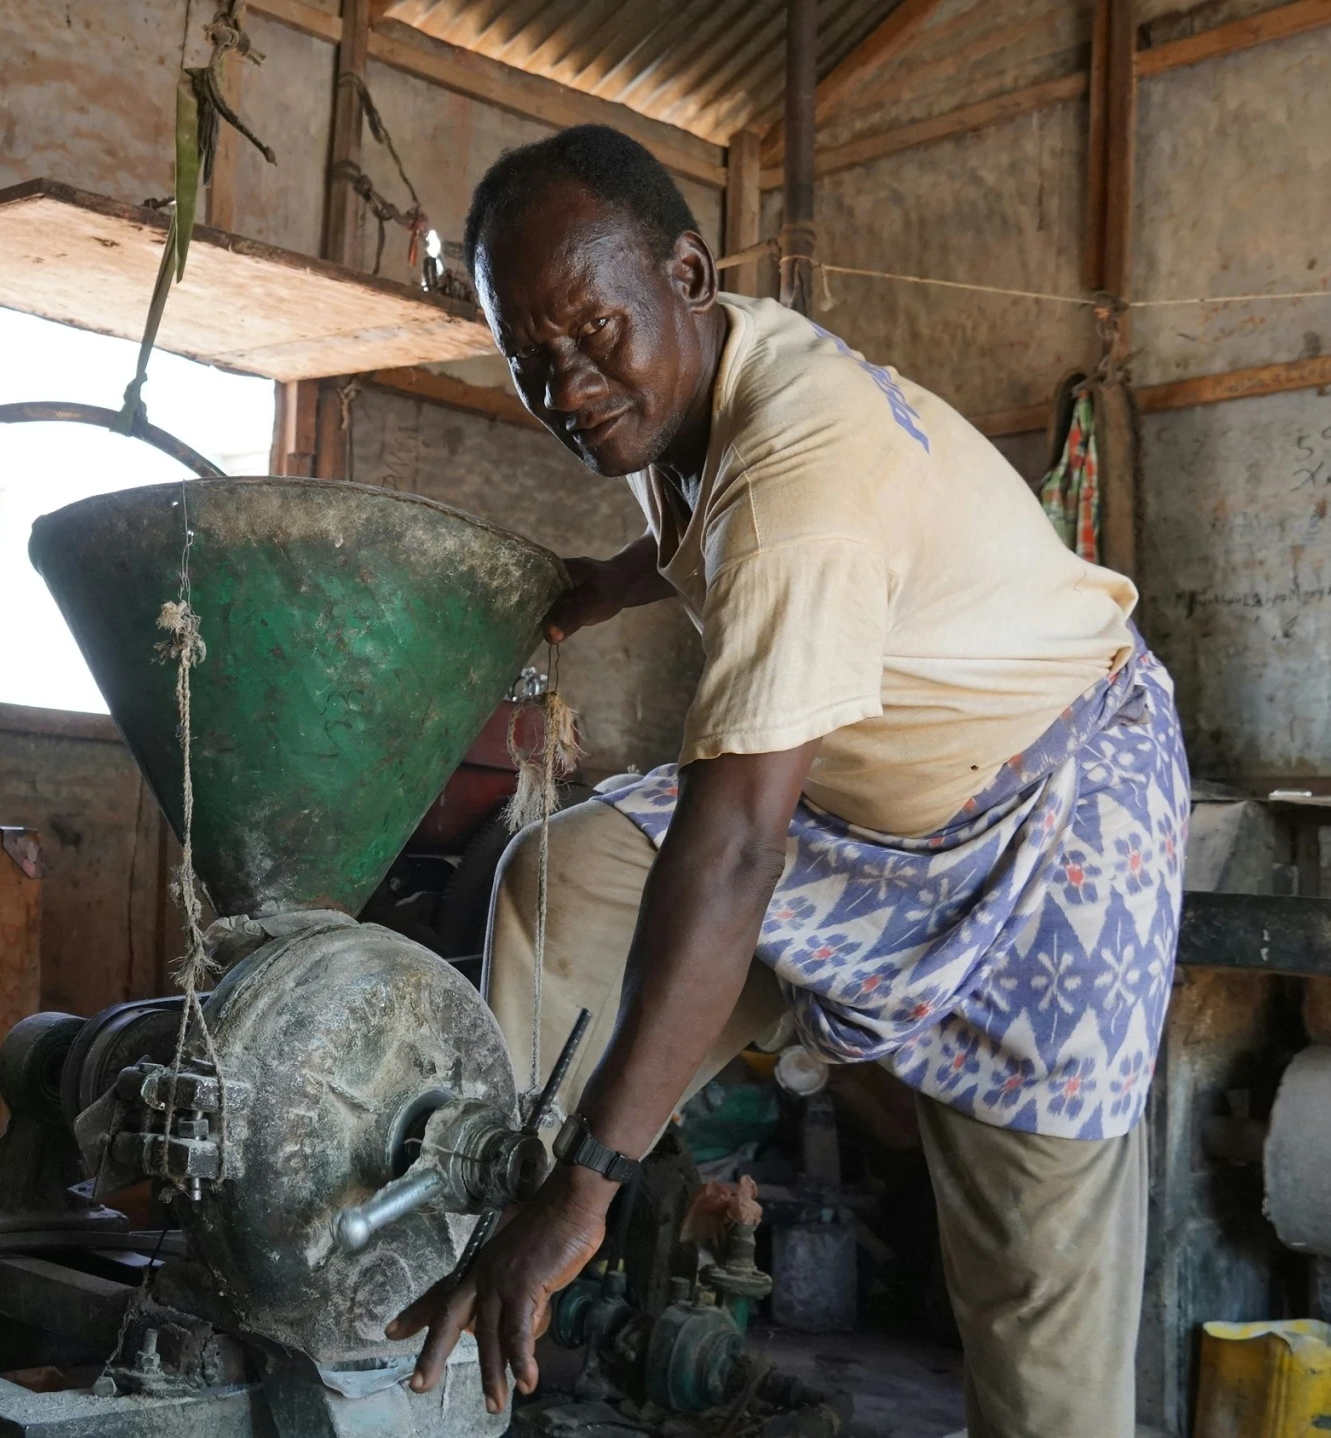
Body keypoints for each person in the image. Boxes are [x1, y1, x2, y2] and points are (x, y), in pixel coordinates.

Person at [387, 124, 1188, 1438]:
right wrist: (605, 580)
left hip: (1055, 824)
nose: (569, 387)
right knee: (566, 874)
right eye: (531, 362)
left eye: (592, 333)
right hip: (880, 802)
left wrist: (592, 1188)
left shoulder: (794, 491)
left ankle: (568, 1199)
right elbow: (721, 511)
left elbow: (736, 850)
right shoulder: (702, 376)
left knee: (1037, 1313)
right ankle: (485, 1213)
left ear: (687, 276)